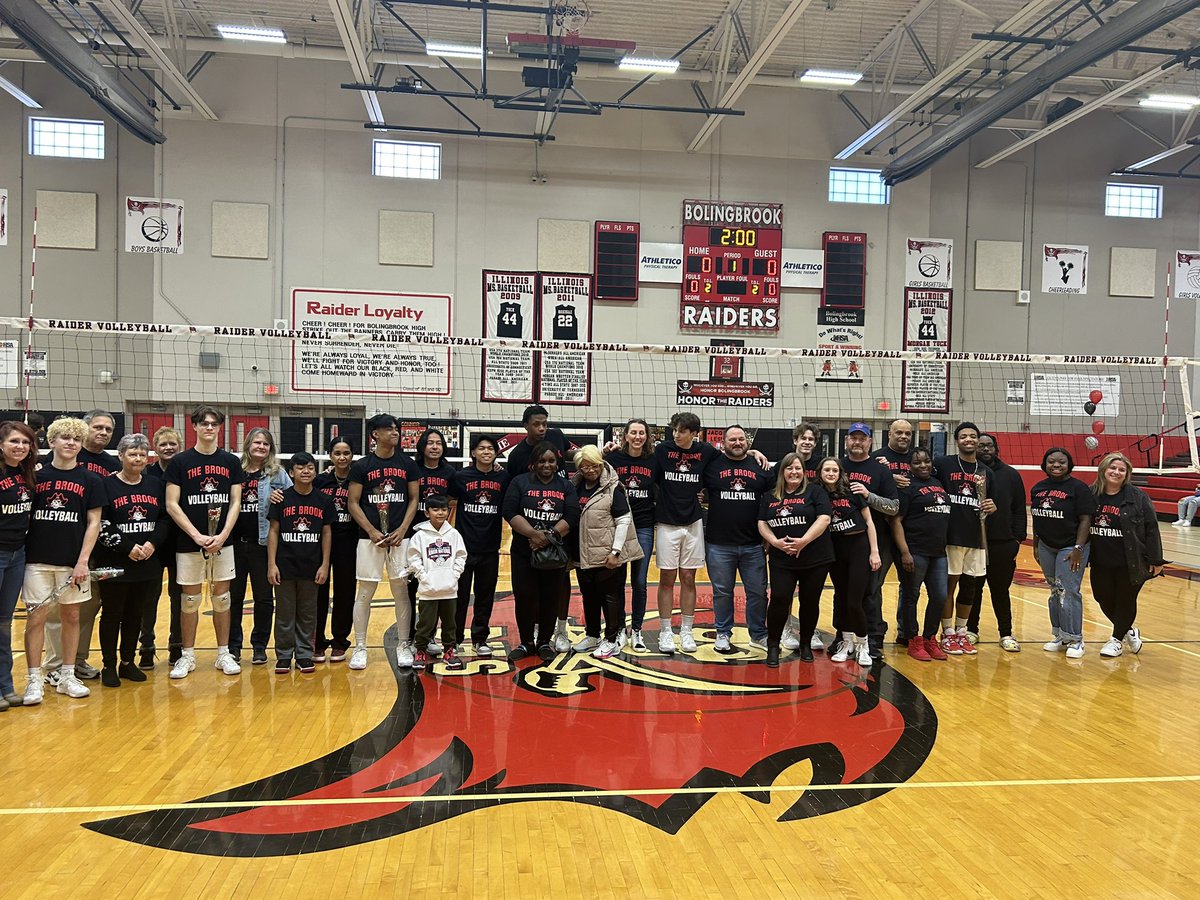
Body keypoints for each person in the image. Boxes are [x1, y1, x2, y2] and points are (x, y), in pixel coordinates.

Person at [21, 417, 104, 703]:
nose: (71, 443)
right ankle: (35, 679)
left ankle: (68, 675)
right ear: (52, 441)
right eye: (65, 437)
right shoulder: (35, 476)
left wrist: (83, 561)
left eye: (76, 439)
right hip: (37, 560)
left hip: (73, 562)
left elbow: (94, 523)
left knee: (71, 617)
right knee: (36, 619)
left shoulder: (90, 479)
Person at [164, 406, 244, 680]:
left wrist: (222, 535)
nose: (209, 428)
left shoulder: (231, 462)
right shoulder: (180, 462)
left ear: (220, 428)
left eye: (214, 424)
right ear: (195, 427)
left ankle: (224, 653)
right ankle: (187, 655)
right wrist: (196, 535)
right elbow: (171, 503)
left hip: (223, 541)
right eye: (204, 423)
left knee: (222, 598)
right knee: (190, 600)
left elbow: (236, 502)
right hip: (189, 542)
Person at [43, 408, 118, 684]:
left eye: (108, 429)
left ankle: (76, 659)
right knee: (55, 607)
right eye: (98, 427)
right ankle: (53, 663)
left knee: (87, 605)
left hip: (96, 546)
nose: (103, 433)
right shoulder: (65, 457)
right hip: (61, 545)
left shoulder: (111, 465)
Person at [347, 414, 420, 670]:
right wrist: (371, 531)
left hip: (401, 538)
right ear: (375, 434)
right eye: (388, 429)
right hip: (369, 540)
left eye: (396, 428)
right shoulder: (362, 466)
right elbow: (353, 502)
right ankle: (360, 646)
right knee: (365, 592)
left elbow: (414, 499)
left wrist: (402, 529)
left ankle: (403, 644)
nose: (395, 432)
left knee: (401, 592)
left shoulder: (408, 464)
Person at [94, 434, 167, 687]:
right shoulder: (105, 485)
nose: (138, 459)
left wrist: (151, 544)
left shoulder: (155, 484)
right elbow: (101, 523)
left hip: (146, 561)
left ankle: (128, 662)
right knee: (112, 613)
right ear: (121, 456)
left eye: (142, 454)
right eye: (132, 454)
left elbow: (164, 519)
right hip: (114, 561)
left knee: (136, 614)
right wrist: (127, 547)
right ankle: (108, 665)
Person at [502, 441, 579, 661]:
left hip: (553, 554)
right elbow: (509, 511)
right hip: (524, 551)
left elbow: (572, 516)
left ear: (557, 463)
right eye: (542, 461)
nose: (547, 464)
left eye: (551, 461)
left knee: (550, 598)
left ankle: (545, 642)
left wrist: (548, 537)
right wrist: (534, 535)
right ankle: (526, 642)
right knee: (525, 597)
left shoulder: (565, 486)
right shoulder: (519, 482)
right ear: (533, 463)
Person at [758, 452, 833, 667]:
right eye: (789, 468)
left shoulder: (815, 491)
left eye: (798, 468)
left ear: (804, 472)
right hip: (782, 558)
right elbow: (761, 522)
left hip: (815, 557)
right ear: (782, 472)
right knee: (780, 598)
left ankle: (806, 643)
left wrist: (803, 541)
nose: (794, 472)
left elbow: (824, 518)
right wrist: (775, 541)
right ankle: (773, 645)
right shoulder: (770, 496)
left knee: (810, 601)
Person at [652, 412, 718, 653]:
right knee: (667, 578)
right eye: (675, 430)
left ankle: (687, 632)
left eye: (681, 431)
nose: (676, 435)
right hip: (667, 523)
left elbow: (730, 461)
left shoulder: (706, 452)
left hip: (693, 523)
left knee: (689, 578)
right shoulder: (662, 451)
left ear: (694, 433)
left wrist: (754, 452)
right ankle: (665, 631)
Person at [570, 445, 643, 659]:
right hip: (582, 555)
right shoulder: (575, 487)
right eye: (584, 467)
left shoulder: (614, 488)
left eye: (593, 466)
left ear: (601, 464)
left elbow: (624, 520)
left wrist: (616, 552)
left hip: (606, 556)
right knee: (589, 597)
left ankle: (611, 640)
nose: (590, 470)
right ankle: (592, 635)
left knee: (611, 597)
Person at [1089, 452, 1164, 657]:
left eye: (1122, 469)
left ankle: (1116, 640)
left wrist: (1156, 559)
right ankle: (1128, 630)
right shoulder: (1091, 494)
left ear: (1127, 474)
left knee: (1126, 600)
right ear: (1103, 469)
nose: (1116, 472)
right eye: (1113, 468)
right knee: (1102, 598)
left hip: (1131, 560)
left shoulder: (1137, 497)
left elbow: (1151, 527)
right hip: (1101, 560)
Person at [704, 425, 772, 652]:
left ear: (748, 442)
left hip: (753, 544)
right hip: (719, 543)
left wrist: (770, 536)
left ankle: (758, 634)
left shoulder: (760, 465)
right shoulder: (712, 465)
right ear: (723, 443)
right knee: (722, 592)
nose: (737, 443)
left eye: (741, 439)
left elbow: (774, 499)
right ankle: (723, 633)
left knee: (757, 592)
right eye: (732, 439)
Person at [932, 422, 996, 656]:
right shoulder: (943, 464)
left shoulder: (986, 472)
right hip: (950, 537)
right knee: (948, 586)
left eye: (972, 436)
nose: (968, 439)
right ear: (956, 440)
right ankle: (947, 633)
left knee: (970, 589)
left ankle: (961, 632)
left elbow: (992, 504)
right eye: (963, 436)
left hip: (976, 538)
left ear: (978, 441)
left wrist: (992, 506)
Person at [268, 452, 333, 675]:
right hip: (285, 566)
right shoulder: (281, 498)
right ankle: (284, 655)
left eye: (310, 467)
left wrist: (325, 565)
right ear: (291, 472)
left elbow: (326, 533)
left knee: (308, 613)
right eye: (300, 467)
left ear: (316, 471)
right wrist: (271, 564)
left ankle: (304, 654)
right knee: (285, 613)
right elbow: (273, 531)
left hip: (312, 567)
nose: (306, 471)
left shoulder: (323, 500)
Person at [230, 427, 290, 664]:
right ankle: (233, 646)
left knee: (263, 598)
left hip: (262, 545)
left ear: (270, 448)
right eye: (257, 443)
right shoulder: (235, 471)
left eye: (265, 444)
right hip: (234, 543)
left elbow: (294, 500)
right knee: (232, 598)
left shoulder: (278, 474)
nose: (261, 447)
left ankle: (259, 646)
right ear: (248, 445)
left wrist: (281, 499)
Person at [841, 422, 899, 660]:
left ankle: (873, 639)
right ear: (846, 441)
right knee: (842, 592)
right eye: (853, 438)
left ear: (870, 442)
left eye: (862, 438)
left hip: (873, 541)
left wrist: (868, 495)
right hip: (840, 539)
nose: (857, 442)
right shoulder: (837, 466)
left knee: (870, 591)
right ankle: (842, 637)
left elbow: (894, 508)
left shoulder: (880, 471)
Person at [1031, 447, 1096, 659]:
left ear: (1069, 465)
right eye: (1051, 462)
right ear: (1044, 464)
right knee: (1054, 590)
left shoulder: (1078, 488)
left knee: (1069, 590)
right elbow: (1038, 517)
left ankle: (1076, 639)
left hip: (1070, 546)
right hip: (1047, 546)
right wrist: (1035, 545)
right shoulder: (1038, 488)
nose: (1056, 465)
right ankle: (1059, 634)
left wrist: (1078, 548)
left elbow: (1086, 519)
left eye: (1061, 462)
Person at [965, 433, 1025, 652]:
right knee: (973, 589)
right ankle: (971, 630)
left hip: (1002, 543)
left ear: (996, 448)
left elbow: (1019, 508)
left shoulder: (1010, 475)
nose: (985, 449)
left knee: (1000, 591)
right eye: (981, 446)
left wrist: (1017, 539)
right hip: (973, 542)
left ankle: (1006, 633)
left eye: (989, 445)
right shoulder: (967, 472)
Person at [890, 448, 952, 662]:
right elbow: (896, 521)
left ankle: (929, 638)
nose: (923, 465)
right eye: (917, 463)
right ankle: (913, 639)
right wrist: (905, 552)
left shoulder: (938, 483)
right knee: (911, 596)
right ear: (910, 466)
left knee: (940, 596)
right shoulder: (906, 487)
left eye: (926, 461)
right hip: (915, 551)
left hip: (938, 552)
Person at [818, 456, 879, 666]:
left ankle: (864, 644)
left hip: (858, 547)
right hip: (835, 551)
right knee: (842, 599)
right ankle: (846, 642)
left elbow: (869, 521)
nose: (831, 473)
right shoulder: (817, 494)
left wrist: (875, 551)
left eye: (835, 470)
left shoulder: (852, 491)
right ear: (820, 473)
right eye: (827, 470)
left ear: (840, 472)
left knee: (855, 601)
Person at [450, 434, 508, 657]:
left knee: (485, 595)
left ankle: (480, 638)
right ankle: (454, 639)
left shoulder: (503, 479)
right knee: (460, 596)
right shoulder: (461, 477)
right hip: (464, 548)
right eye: (481, 448)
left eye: (490, 449)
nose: (486, 452)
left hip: (490, 548)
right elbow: (448, 499)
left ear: (495, 454)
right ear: (473, 452)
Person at [605, 419, 655, 651]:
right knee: (617, 582)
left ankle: (637, 631)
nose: (637, 437)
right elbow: (588, 464)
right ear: (624, 436)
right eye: (633, 432)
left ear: (647, 436)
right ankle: (617, 630)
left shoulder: (654, 459)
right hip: (618, 526)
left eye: (641, 433)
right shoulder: (613, 459)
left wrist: (752, 449)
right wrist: (602, 450)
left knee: (640, 582)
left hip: (643, 526)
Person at [407, 428, 457, 654]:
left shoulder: (449, 472)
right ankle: (411, 638)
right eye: (430, 443)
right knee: (413, 588)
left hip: (438, 540)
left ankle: (431, 638)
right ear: (422, 446)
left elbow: (457, 497)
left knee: (437, 590)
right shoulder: (412, 468)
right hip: (414, 535)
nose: (435, 446)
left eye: (439, 443)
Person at [138, 426, 183, 668]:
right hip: (152, 543)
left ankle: (176, 645)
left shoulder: (185, 471)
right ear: (155, 448)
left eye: (172, 444)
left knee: (179, 597)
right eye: (163, 444)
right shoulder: (146, 473)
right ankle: (146, 646)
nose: (168, 448)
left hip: (178, 542)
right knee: (149, 598)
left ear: (180, 445)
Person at [408, 494, 467, 671]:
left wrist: (454, 575)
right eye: (435, 509)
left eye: (443, 509)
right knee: (425, 624)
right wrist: (424, 577)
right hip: (428, 590)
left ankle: (449, 650)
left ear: (449, 511)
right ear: (427, 513)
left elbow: (461, 556)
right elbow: (413, 557)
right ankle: (420, 651)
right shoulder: (419, 536)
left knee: (450, 623)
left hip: (449, 589)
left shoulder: (454, 534)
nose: (440, 513)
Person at [0, 421, 36, 709]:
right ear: (1, 444)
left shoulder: (25, 474)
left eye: (25, 442)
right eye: (14, 441)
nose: (20, 447)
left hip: (17, 554)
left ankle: (6, 686)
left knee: (4, 622)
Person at [314, 437, 357, 662]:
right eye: (337, 453)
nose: (342, 457)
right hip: (321, 541)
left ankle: (340, 641)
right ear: (330, 455)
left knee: (345, 591)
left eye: (346, 453)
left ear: (352, 456)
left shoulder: (358, 480)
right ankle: (317, 641)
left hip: (348, 541)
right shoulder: (320, 481)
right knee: (319, 590)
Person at [874, 419, 916, 645]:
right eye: (898, 432)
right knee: (875, 585)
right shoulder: (877, 458)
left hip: (912, 533)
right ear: (889, 434)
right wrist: (888, 477)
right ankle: (876, 631)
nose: (903, 437)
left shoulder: (918, 459)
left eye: (908, 433)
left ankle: (907, 632)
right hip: (882, 531)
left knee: (910, 586)